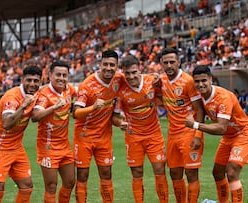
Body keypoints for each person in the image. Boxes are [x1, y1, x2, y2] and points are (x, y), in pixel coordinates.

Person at [186, 65, 248, 203]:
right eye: (197, 81)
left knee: (232, 171)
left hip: (243, 134)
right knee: (217, 172)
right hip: (228, 137)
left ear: (211, 79)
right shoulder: (200, 95)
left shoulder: (223, 97)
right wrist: (197, 136)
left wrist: (194, 125)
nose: (201, 84)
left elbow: (221, 128)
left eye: (204, 80)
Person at [112, 55, 169, 202]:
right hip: (133, 136)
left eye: (134, 72)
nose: (131, 76)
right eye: (127, 73)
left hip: (154, 134)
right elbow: (114, 117)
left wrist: (159, 77)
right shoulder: (121, 91)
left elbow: (165, 89)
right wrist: (120, 123)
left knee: (159, 169)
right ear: (123, 72)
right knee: (137, 172)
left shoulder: (152, 81)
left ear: (140, 69)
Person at [73, 49, 124, 202]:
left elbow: (138, 76)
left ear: (117, 66)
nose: (109, 68)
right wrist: (93, 107)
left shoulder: (119, 79)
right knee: (82, 175)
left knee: (106, 173)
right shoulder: (87, 85)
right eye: (106, 64)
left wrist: (121, 123)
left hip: (104, 137)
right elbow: (75, 113)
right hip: (84, 137)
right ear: (100, 64)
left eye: (112, 65)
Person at [0, 66, 42, 203]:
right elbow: (7, 124)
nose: (32, 84)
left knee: (27, 186)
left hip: (17, 147)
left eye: (36, 81)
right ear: (22, 80)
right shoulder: (12, 97)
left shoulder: (37, 94)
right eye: (29, 80)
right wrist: (23, 106)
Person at [158, 48, 205, 203]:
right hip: (172, 134)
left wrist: (198, 135)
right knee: (174, 173)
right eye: (166, 62)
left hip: (189, 133)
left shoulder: (188, 81)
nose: (170, 65)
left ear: (178, 62)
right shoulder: (161, 80)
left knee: (191, 174)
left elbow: (199, 109)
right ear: (161, 64)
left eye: (172, 62)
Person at [31, 61, 76, 202]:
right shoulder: (44, 95)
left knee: (70, 182)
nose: (61, 78)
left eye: (64, 75)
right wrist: (54, 107)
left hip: (64, 146)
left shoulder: (69, 90)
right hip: (48, 147)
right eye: (58, 75)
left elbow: (85, 89)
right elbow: (35, 116)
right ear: (50, 75)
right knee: (51, 186)